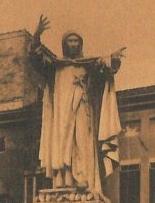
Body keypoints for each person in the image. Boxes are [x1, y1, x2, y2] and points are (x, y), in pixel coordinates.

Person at [30, 16, 125, 193]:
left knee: (82, 142)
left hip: (82, 109)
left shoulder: (87, 65)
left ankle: (83, 179)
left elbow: (104, 69)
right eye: (70, 41)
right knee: (62, 145)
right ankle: (64, 181)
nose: (73, 44)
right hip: (62, 114)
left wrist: (114, 60)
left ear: (80, 44)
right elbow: (36, 60)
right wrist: (36, 38)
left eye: (76, 41)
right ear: (65, 45)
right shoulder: (55, 66)